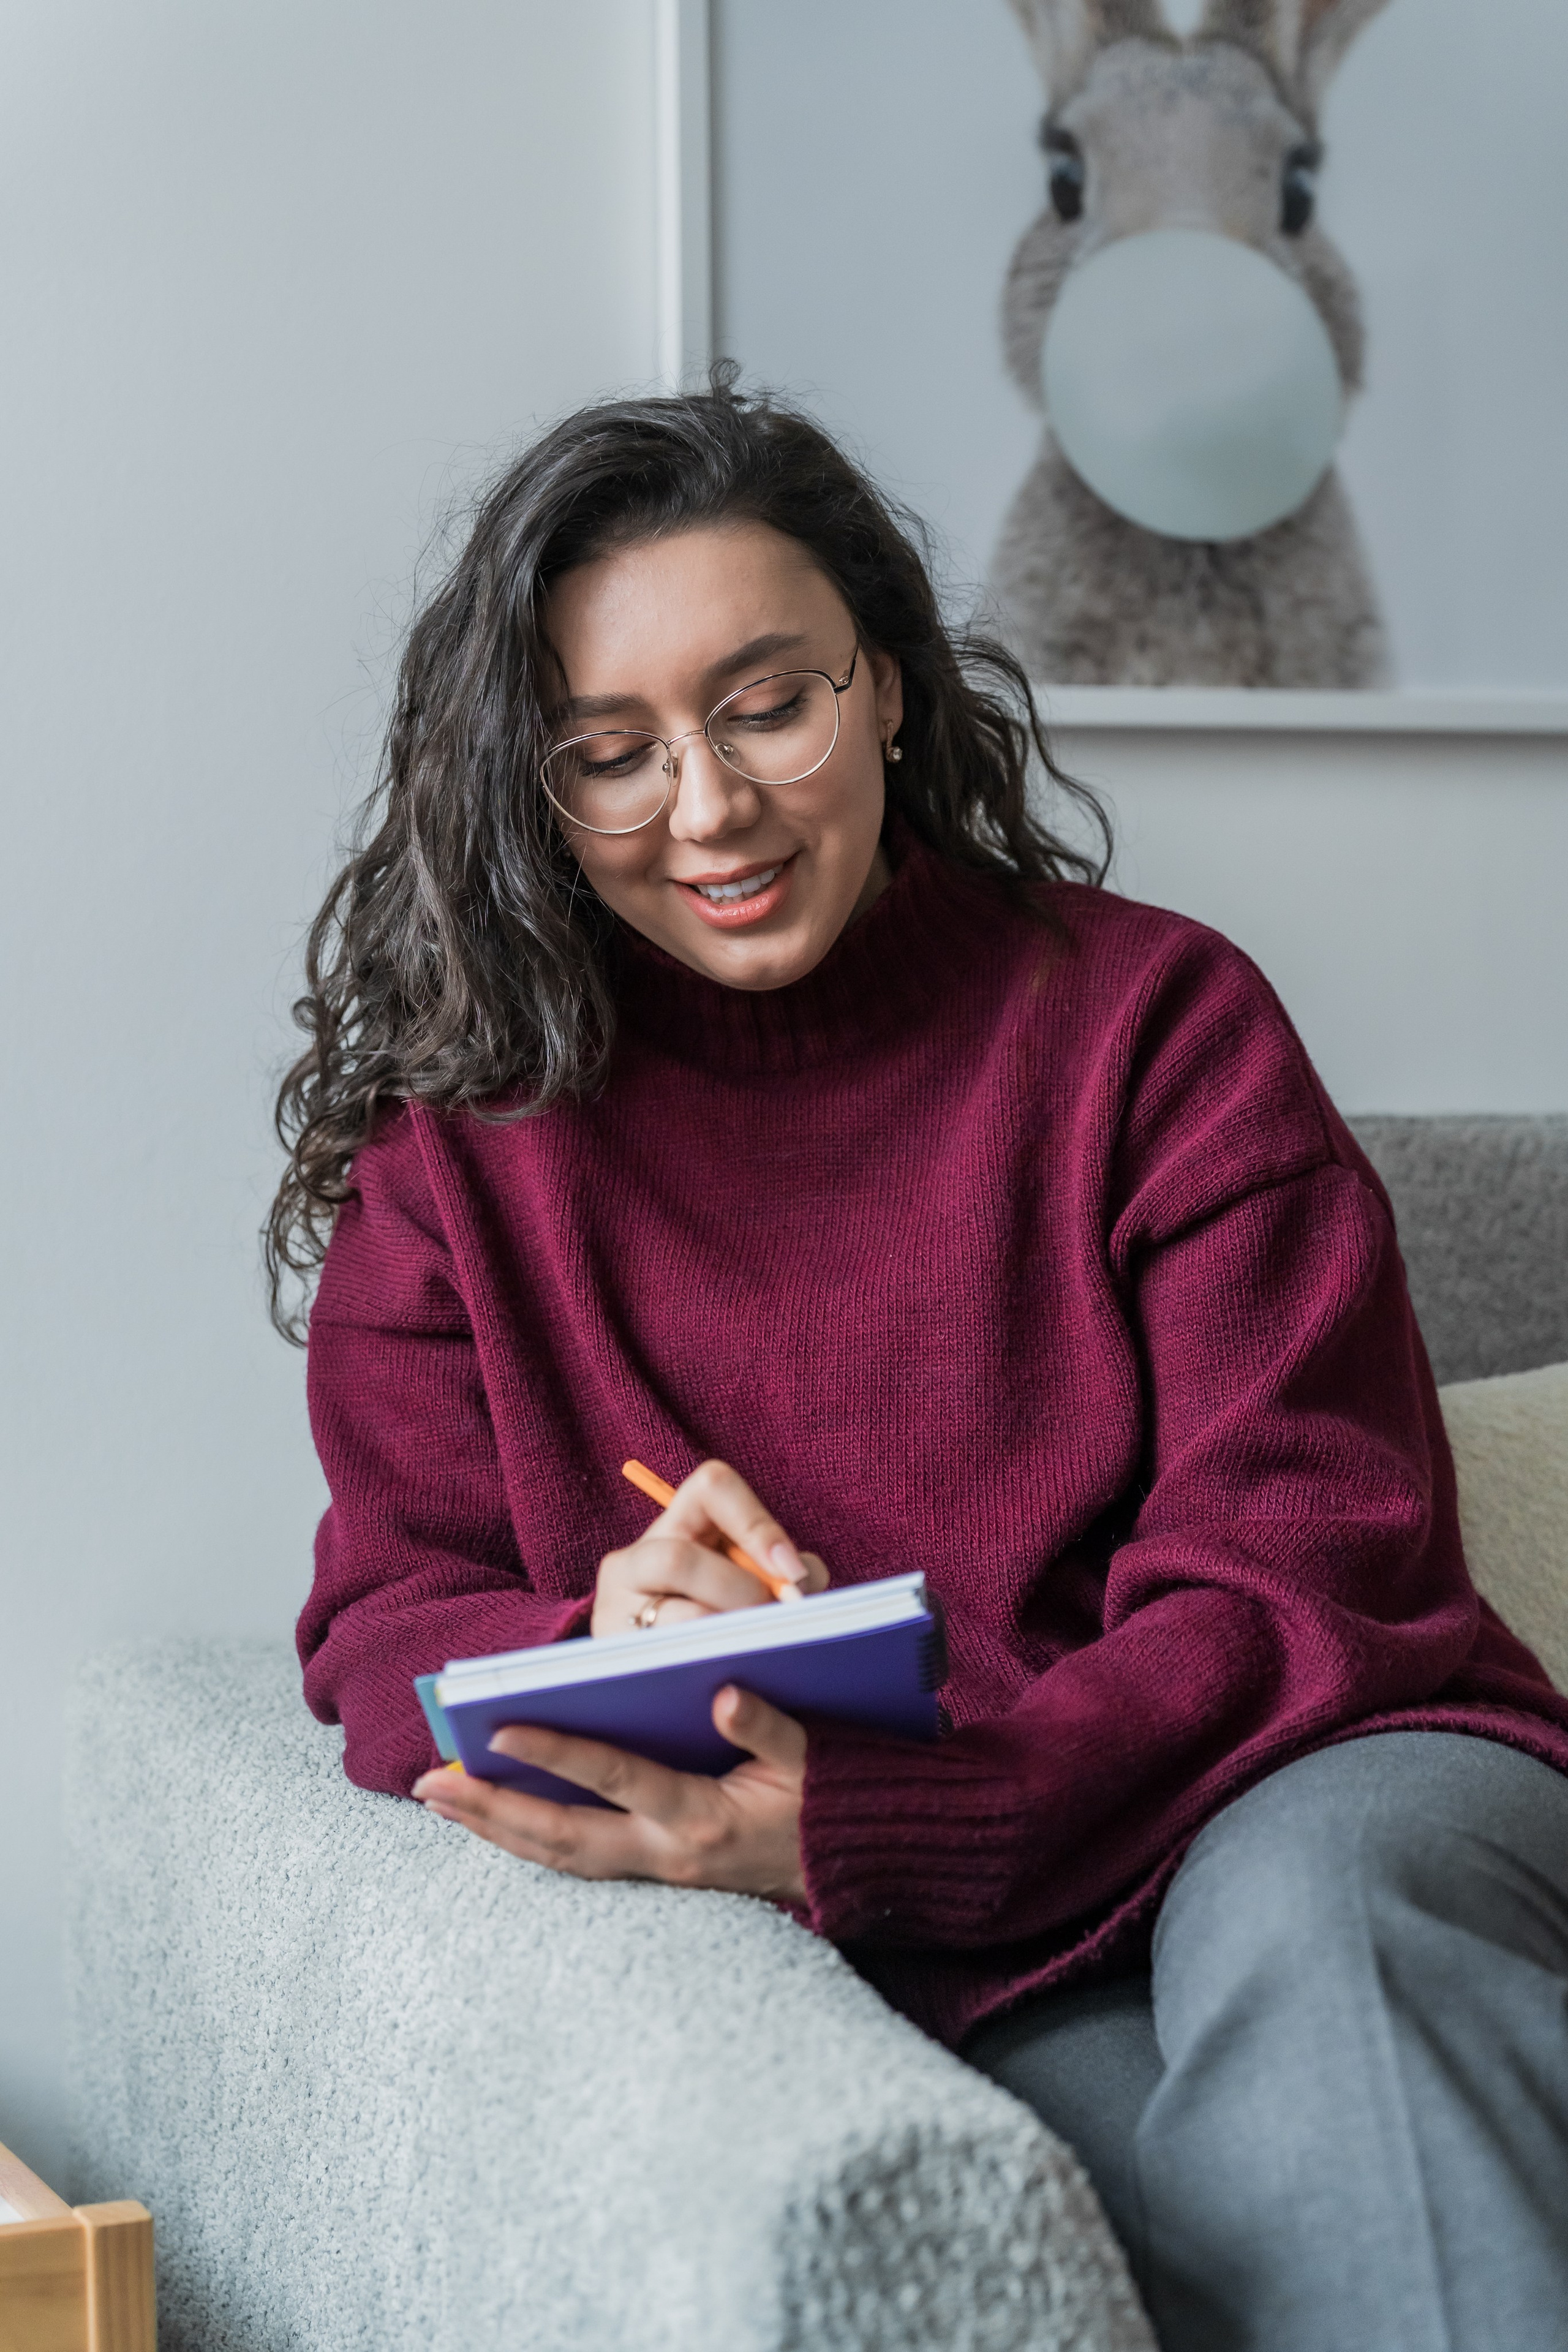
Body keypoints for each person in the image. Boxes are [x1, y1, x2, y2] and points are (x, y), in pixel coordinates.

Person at [271, 375, 1568, 2351]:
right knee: (1182, 2206)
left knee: (1332, 1947)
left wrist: (896, 1817)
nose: (705, 809)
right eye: (607, 753)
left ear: (884, 682)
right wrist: (600, 1634)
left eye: (766, 704)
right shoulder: (462, 1162)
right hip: (954, 1934)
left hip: (1309, 1792)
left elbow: (1312, 1575)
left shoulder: (1161, 1028)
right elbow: (386, 1624)